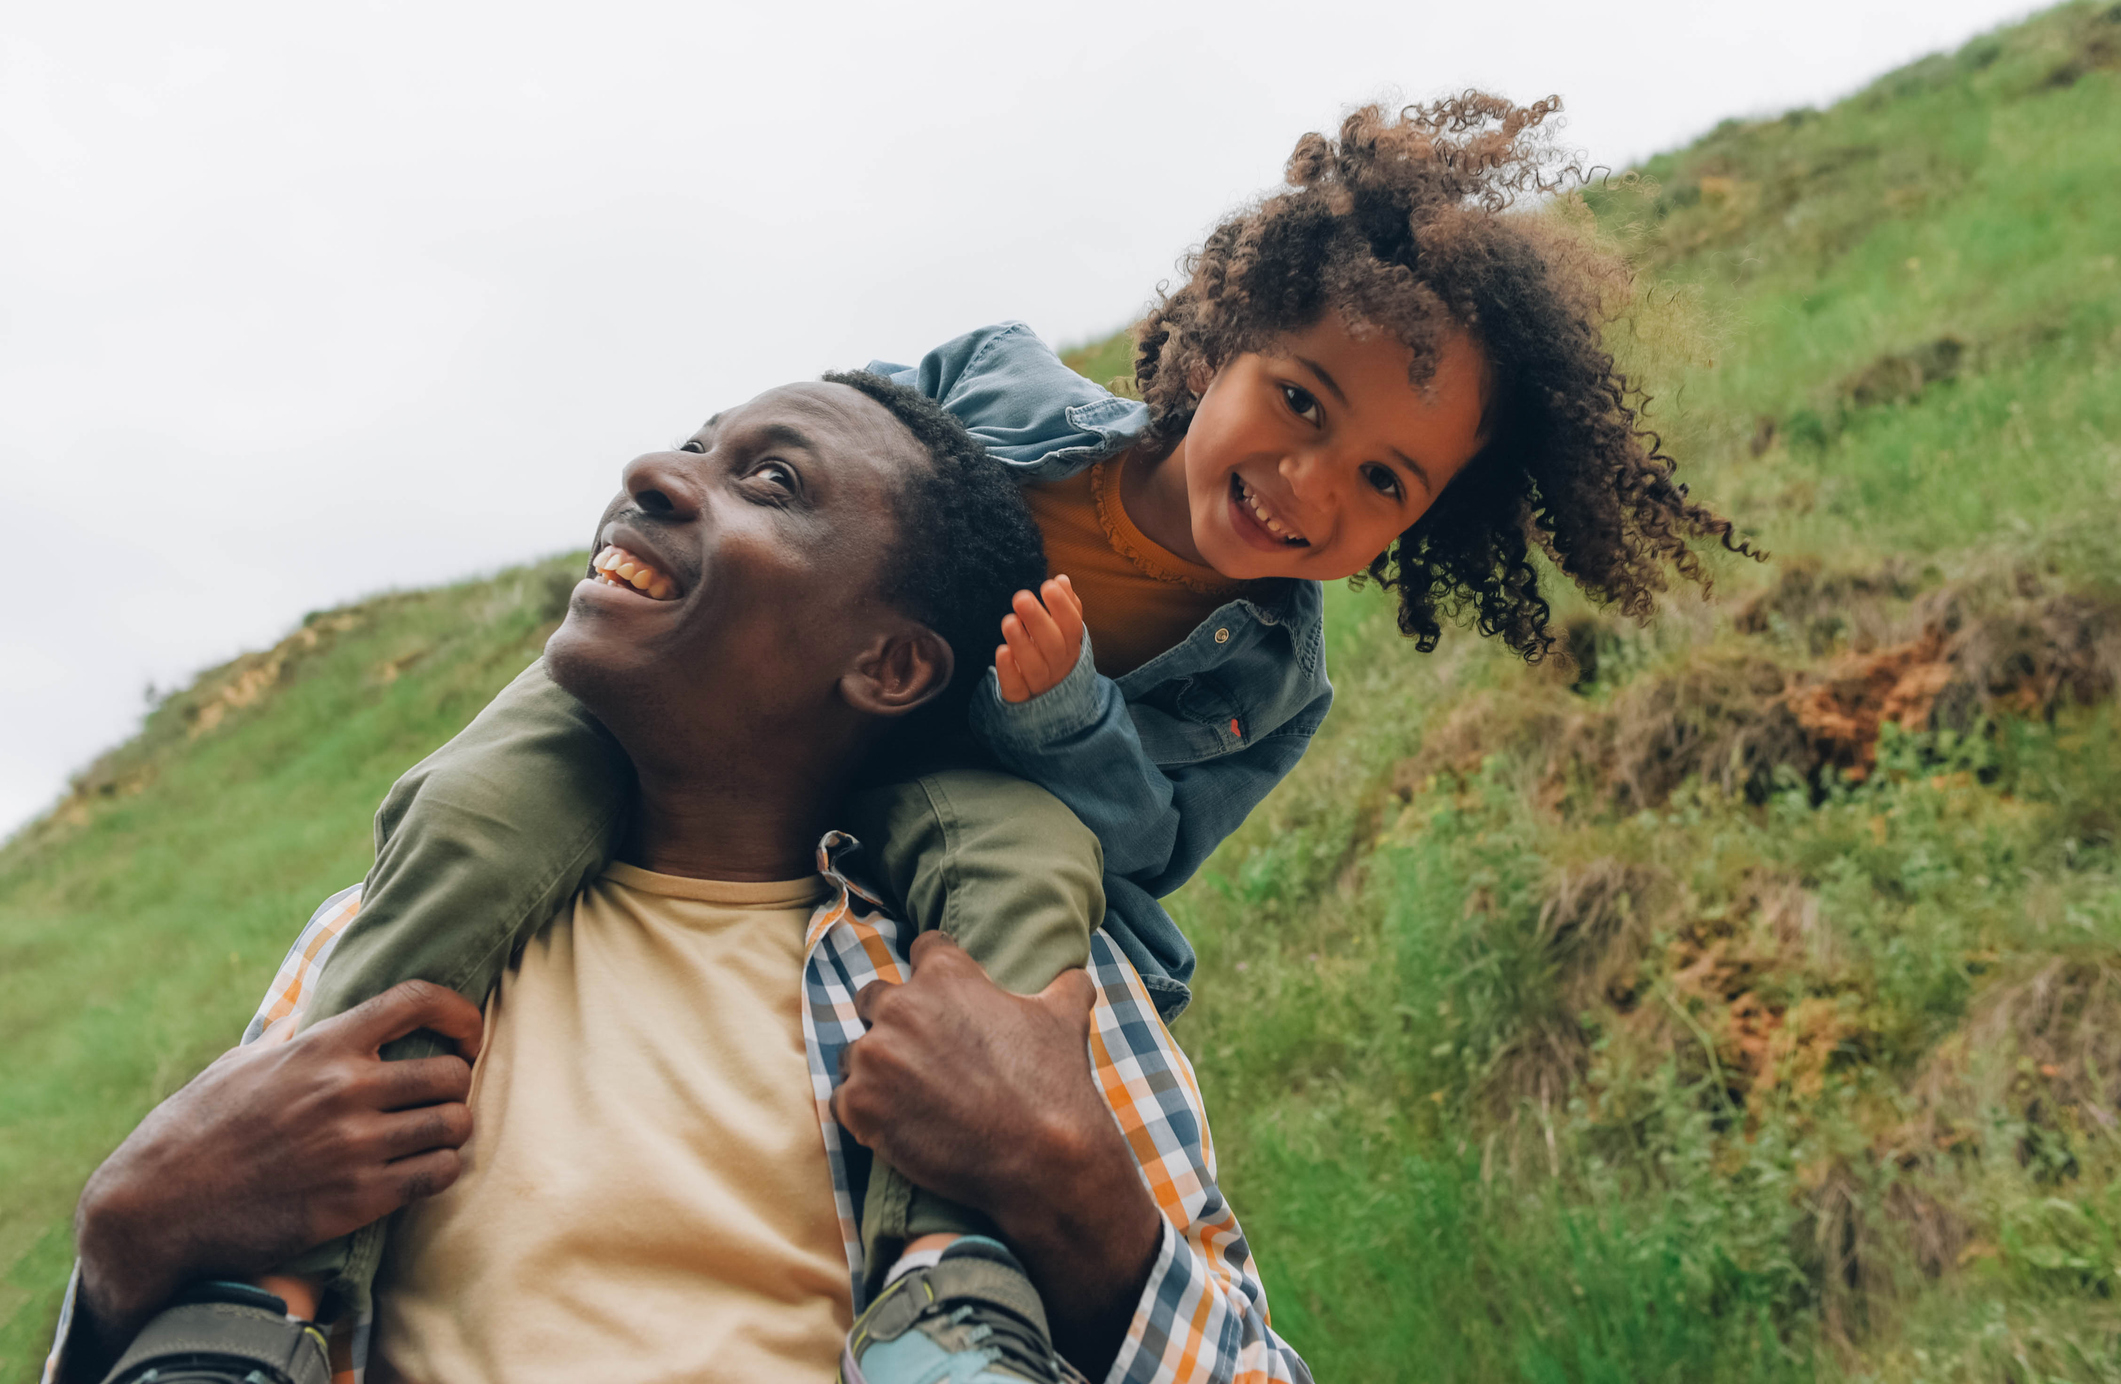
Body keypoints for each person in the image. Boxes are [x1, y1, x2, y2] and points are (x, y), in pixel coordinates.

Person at [208, 92, 1759, 1375]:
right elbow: (825, 433)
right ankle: (274, 1270)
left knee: (1032, 863)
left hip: (957, 800)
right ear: (1218, 339)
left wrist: (1064, 709)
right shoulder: (1004, 383)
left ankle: (952, 1284)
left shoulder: (1273, 678)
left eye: (1381, 485)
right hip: (728, 711)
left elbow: (1144, 847)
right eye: (1299, 403)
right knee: (480, 805)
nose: (1311, 484)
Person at [49, 374, 1311, 1384]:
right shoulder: (388, 933)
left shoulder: (1019, 997)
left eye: (770, 480)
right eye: (694, 445)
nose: (654, 473)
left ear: (891, 665)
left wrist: (1083, 1200)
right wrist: (125, 1244)